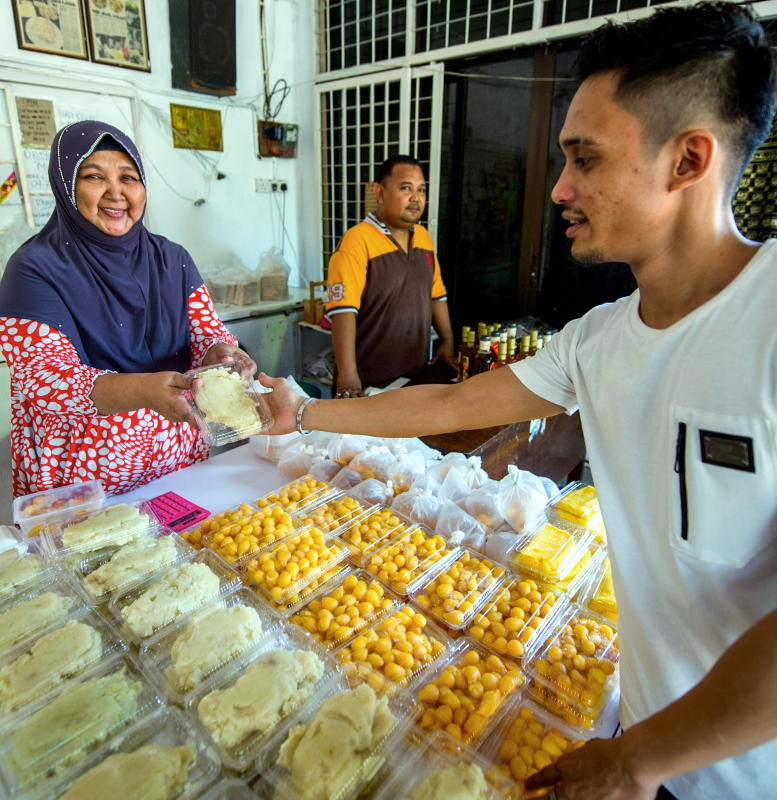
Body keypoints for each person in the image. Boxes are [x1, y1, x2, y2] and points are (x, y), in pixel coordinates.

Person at [260, 3, 777, 798]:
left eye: (585, 159)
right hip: (640, 739)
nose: (560, 188)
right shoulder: (598, 338)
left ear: (687, 160)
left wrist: (640, 760)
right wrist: (306, 412)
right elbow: (448, 407)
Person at [0, 120, 255, 497]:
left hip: (175, 455)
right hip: (84, 469)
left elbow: (205, 331)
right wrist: (143, 391)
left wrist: (219, 352)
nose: (116, 193)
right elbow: (47, 381)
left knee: (189, 544)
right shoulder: (34, 268)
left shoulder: (172, 259)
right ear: (66, 186)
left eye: (129, 178)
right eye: (94, 177)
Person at [325, 155, 457, 398]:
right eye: (406, 188)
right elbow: (343, 311)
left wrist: (447, 340)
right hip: (368, 382)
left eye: (421, 190)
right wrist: (348, 375)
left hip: (413, 374)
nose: (416, 198)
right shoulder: (357, 240)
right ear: (380, 192)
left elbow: (437, 294)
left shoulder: (424, 238)